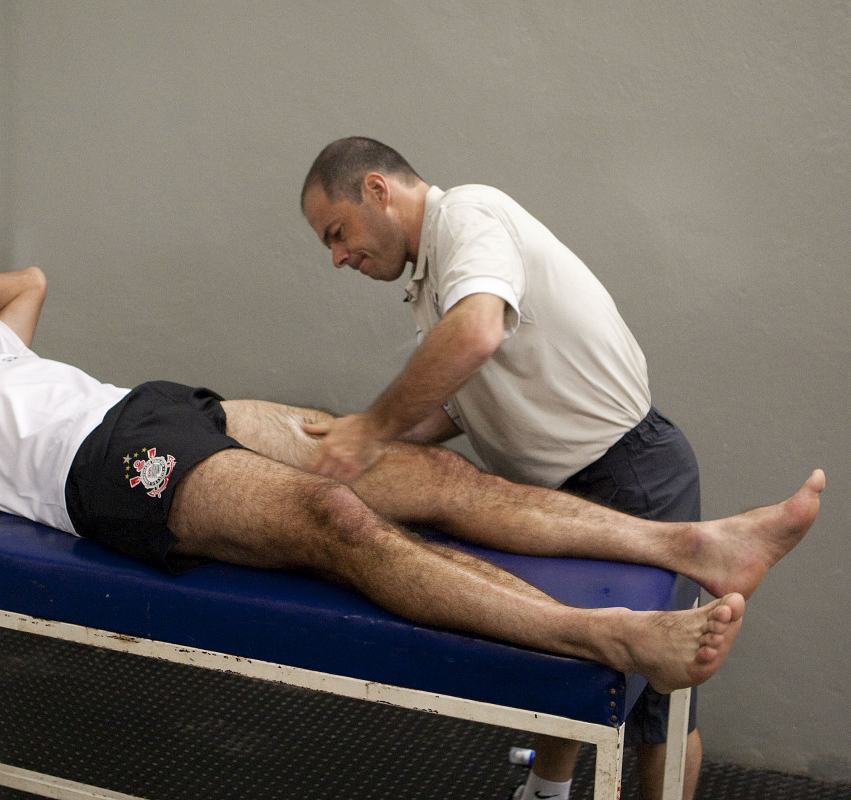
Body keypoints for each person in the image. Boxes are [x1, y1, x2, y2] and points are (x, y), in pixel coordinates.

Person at [0, 251, 822, 726]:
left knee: (421, 466)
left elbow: (28, 281)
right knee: (335, 516)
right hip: (92, 473)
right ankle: (610, 640)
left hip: (157, 405)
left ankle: (694, 545)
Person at [300, 137, 704, 799]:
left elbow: (479, 331)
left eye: (337, 234)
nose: (339, 257)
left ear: (377, 189)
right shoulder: (435, 283)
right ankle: (544, 793)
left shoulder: (468, 218)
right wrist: (355, 449)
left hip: (631, 474)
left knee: (654, 701)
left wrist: (371, 429)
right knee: (574, 656)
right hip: (570, 488)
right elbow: (458, 408)